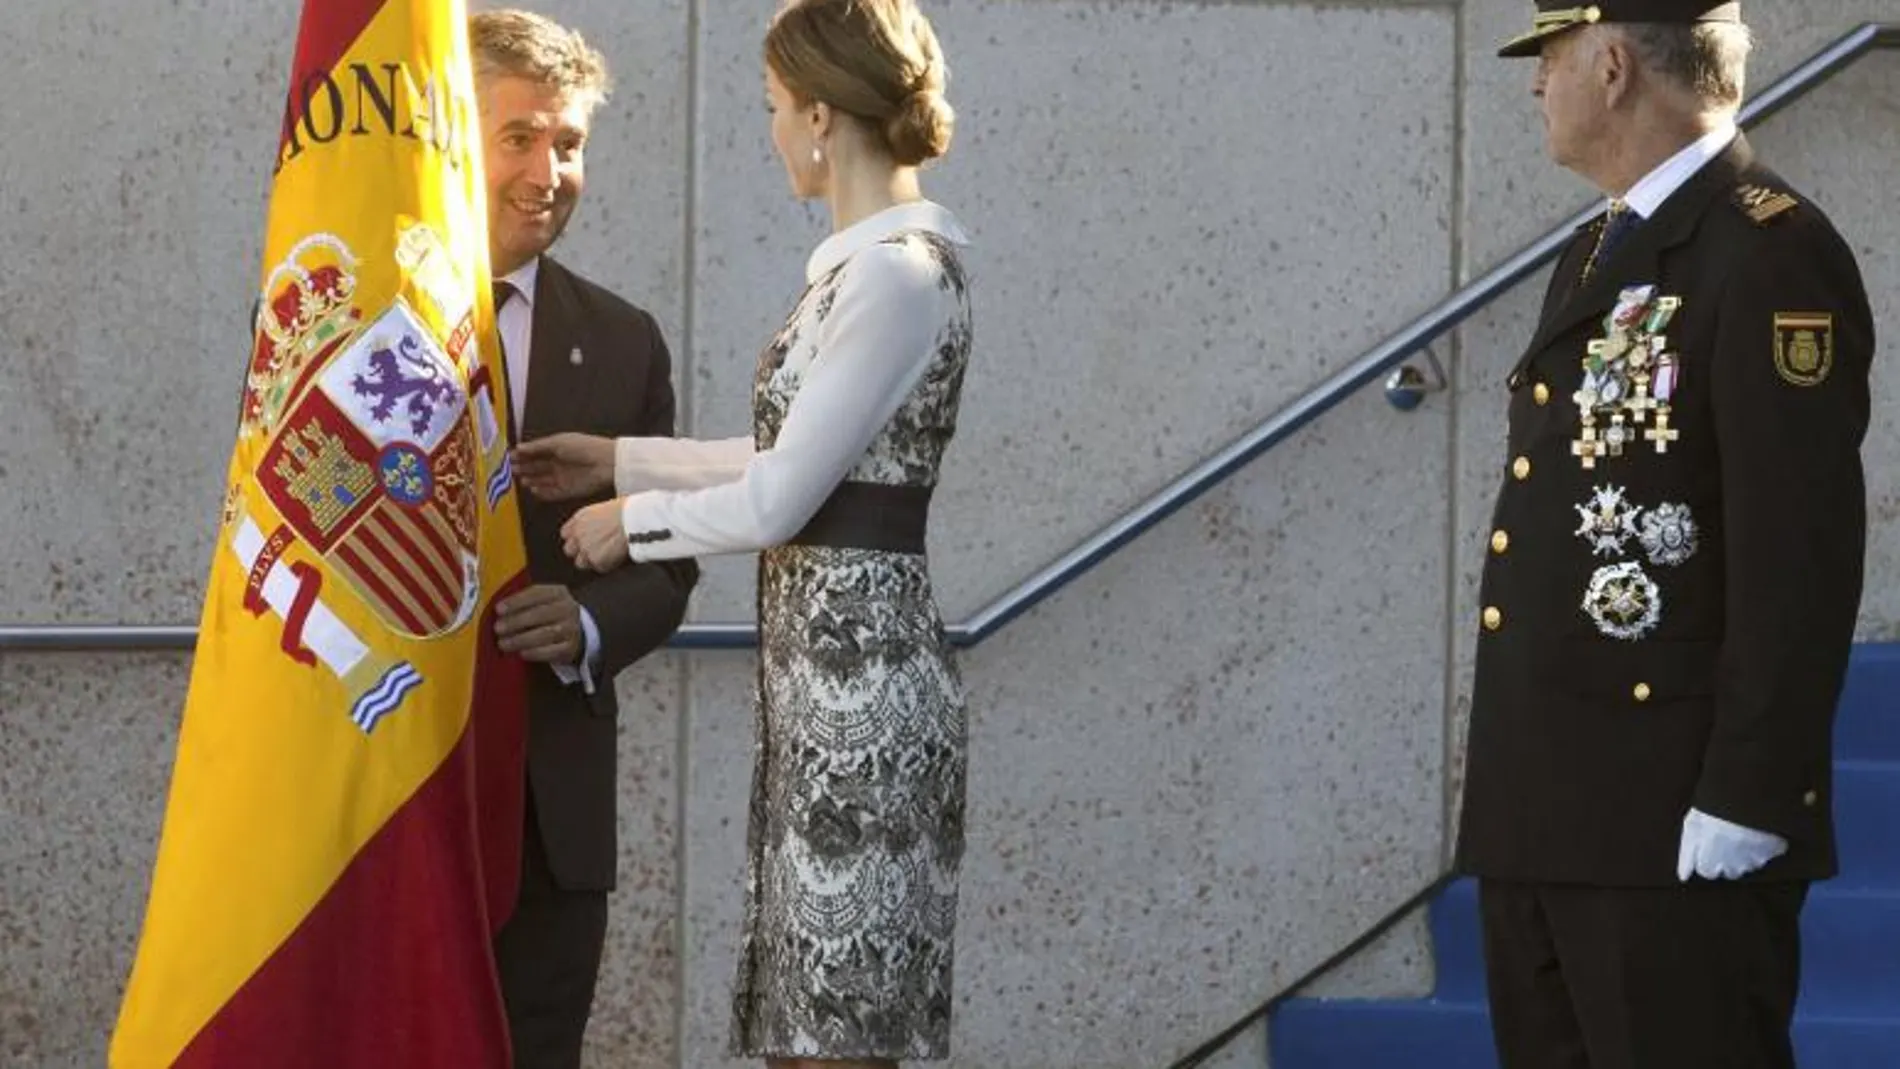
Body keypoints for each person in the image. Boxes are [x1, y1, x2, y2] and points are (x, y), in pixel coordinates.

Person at [512, 2, 970, 1064]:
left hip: (864, 703)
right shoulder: (872, 272)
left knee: (836, 1034)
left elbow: (777, 502)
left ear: (818, 114)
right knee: (808, 1030)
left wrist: (634, 521)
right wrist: (618, 457)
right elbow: (791, 458)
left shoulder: (897, 275)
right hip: (824, 692)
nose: (769, 134)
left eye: (771, 109)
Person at [1455, 3, 1875, 1068]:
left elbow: (1799, 551)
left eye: (1545, 59)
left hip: (1672, 818)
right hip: (1551, 806)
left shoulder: (1767, 250)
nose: (1532, 86)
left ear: (1609, 66)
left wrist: (1752, 790)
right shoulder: (1604, 247)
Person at [470, 11, 698, 1068]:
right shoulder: (340, 322)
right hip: (374, 810)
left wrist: (589, 623)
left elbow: (669, 563)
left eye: (568, 145)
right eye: (519, 136)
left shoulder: (620, 339)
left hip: (549, 819)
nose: (548, 171)